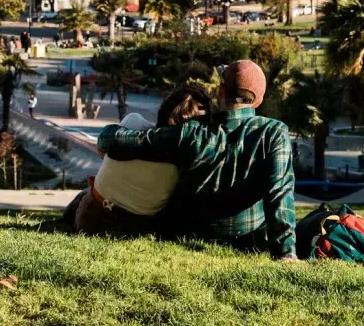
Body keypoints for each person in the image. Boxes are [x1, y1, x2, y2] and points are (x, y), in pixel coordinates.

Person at [96, 60, 298, 261]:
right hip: (248, 240)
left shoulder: (191, 134)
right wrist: (286, 253)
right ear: (257, 101)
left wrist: (111, 137)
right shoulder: (274, 133)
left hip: (192, 236)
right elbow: (280, 195)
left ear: (220, 91)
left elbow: (112, 139)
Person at [73, 86, 212, 236]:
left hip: (91, 220)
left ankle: (61, 221)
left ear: (163, 110)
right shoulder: (189, 161)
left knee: (87, 192)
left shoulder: (133, 123)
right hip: (137, 229)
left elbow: (103, 149)